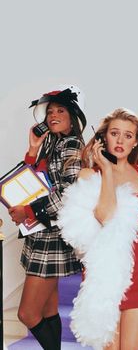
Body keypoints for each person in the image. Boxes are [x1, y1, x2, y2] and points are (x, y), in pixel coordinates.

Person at [58, 107, 138, 350]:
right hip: (107, 275)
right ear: (104, 137)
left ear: (135, 142)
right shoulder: (89, 175)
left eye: (128, 135)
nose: (121, 140)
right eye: (115, 133)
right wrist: (108, 170)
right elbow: (106, 216)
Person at [8, 85, 87, 350]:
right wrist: (33, 147)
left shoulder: (73, 144)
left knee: (27, 314)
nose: (53, 115)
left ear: (73, 115)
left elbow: (69, 192)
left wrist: (28, 211)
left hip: (50, 237)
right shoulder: (54, 143)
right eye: (50, 111)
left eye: (60, 110)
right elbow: (33, 180)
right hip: (40, 233)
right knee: (49, 310)